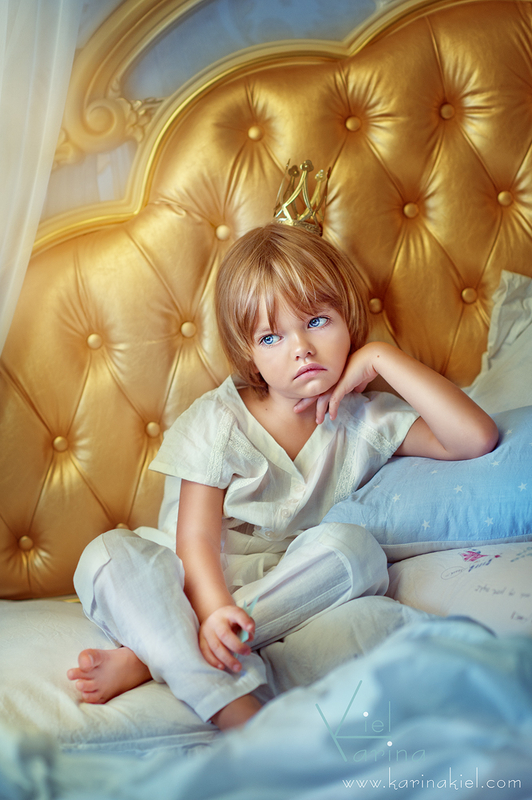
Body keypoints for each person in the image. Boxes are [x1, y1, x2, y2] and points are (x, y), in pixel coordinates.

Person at [67, 222, 498, 730]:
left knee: (355, 550)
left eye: (317, 321)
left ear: (349, 319)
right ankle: (233, 705)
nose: (302, 348)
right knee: (106, 555)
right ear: (249, 353)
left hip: (288, 584)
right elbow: (195, 540)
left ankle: (152, 656)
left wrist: (381, 358)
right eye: (271, 337)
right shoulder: (218, 420)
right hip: (188, 578)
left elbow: (475, 438)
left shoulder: (366, 419)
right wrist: (213, 610)